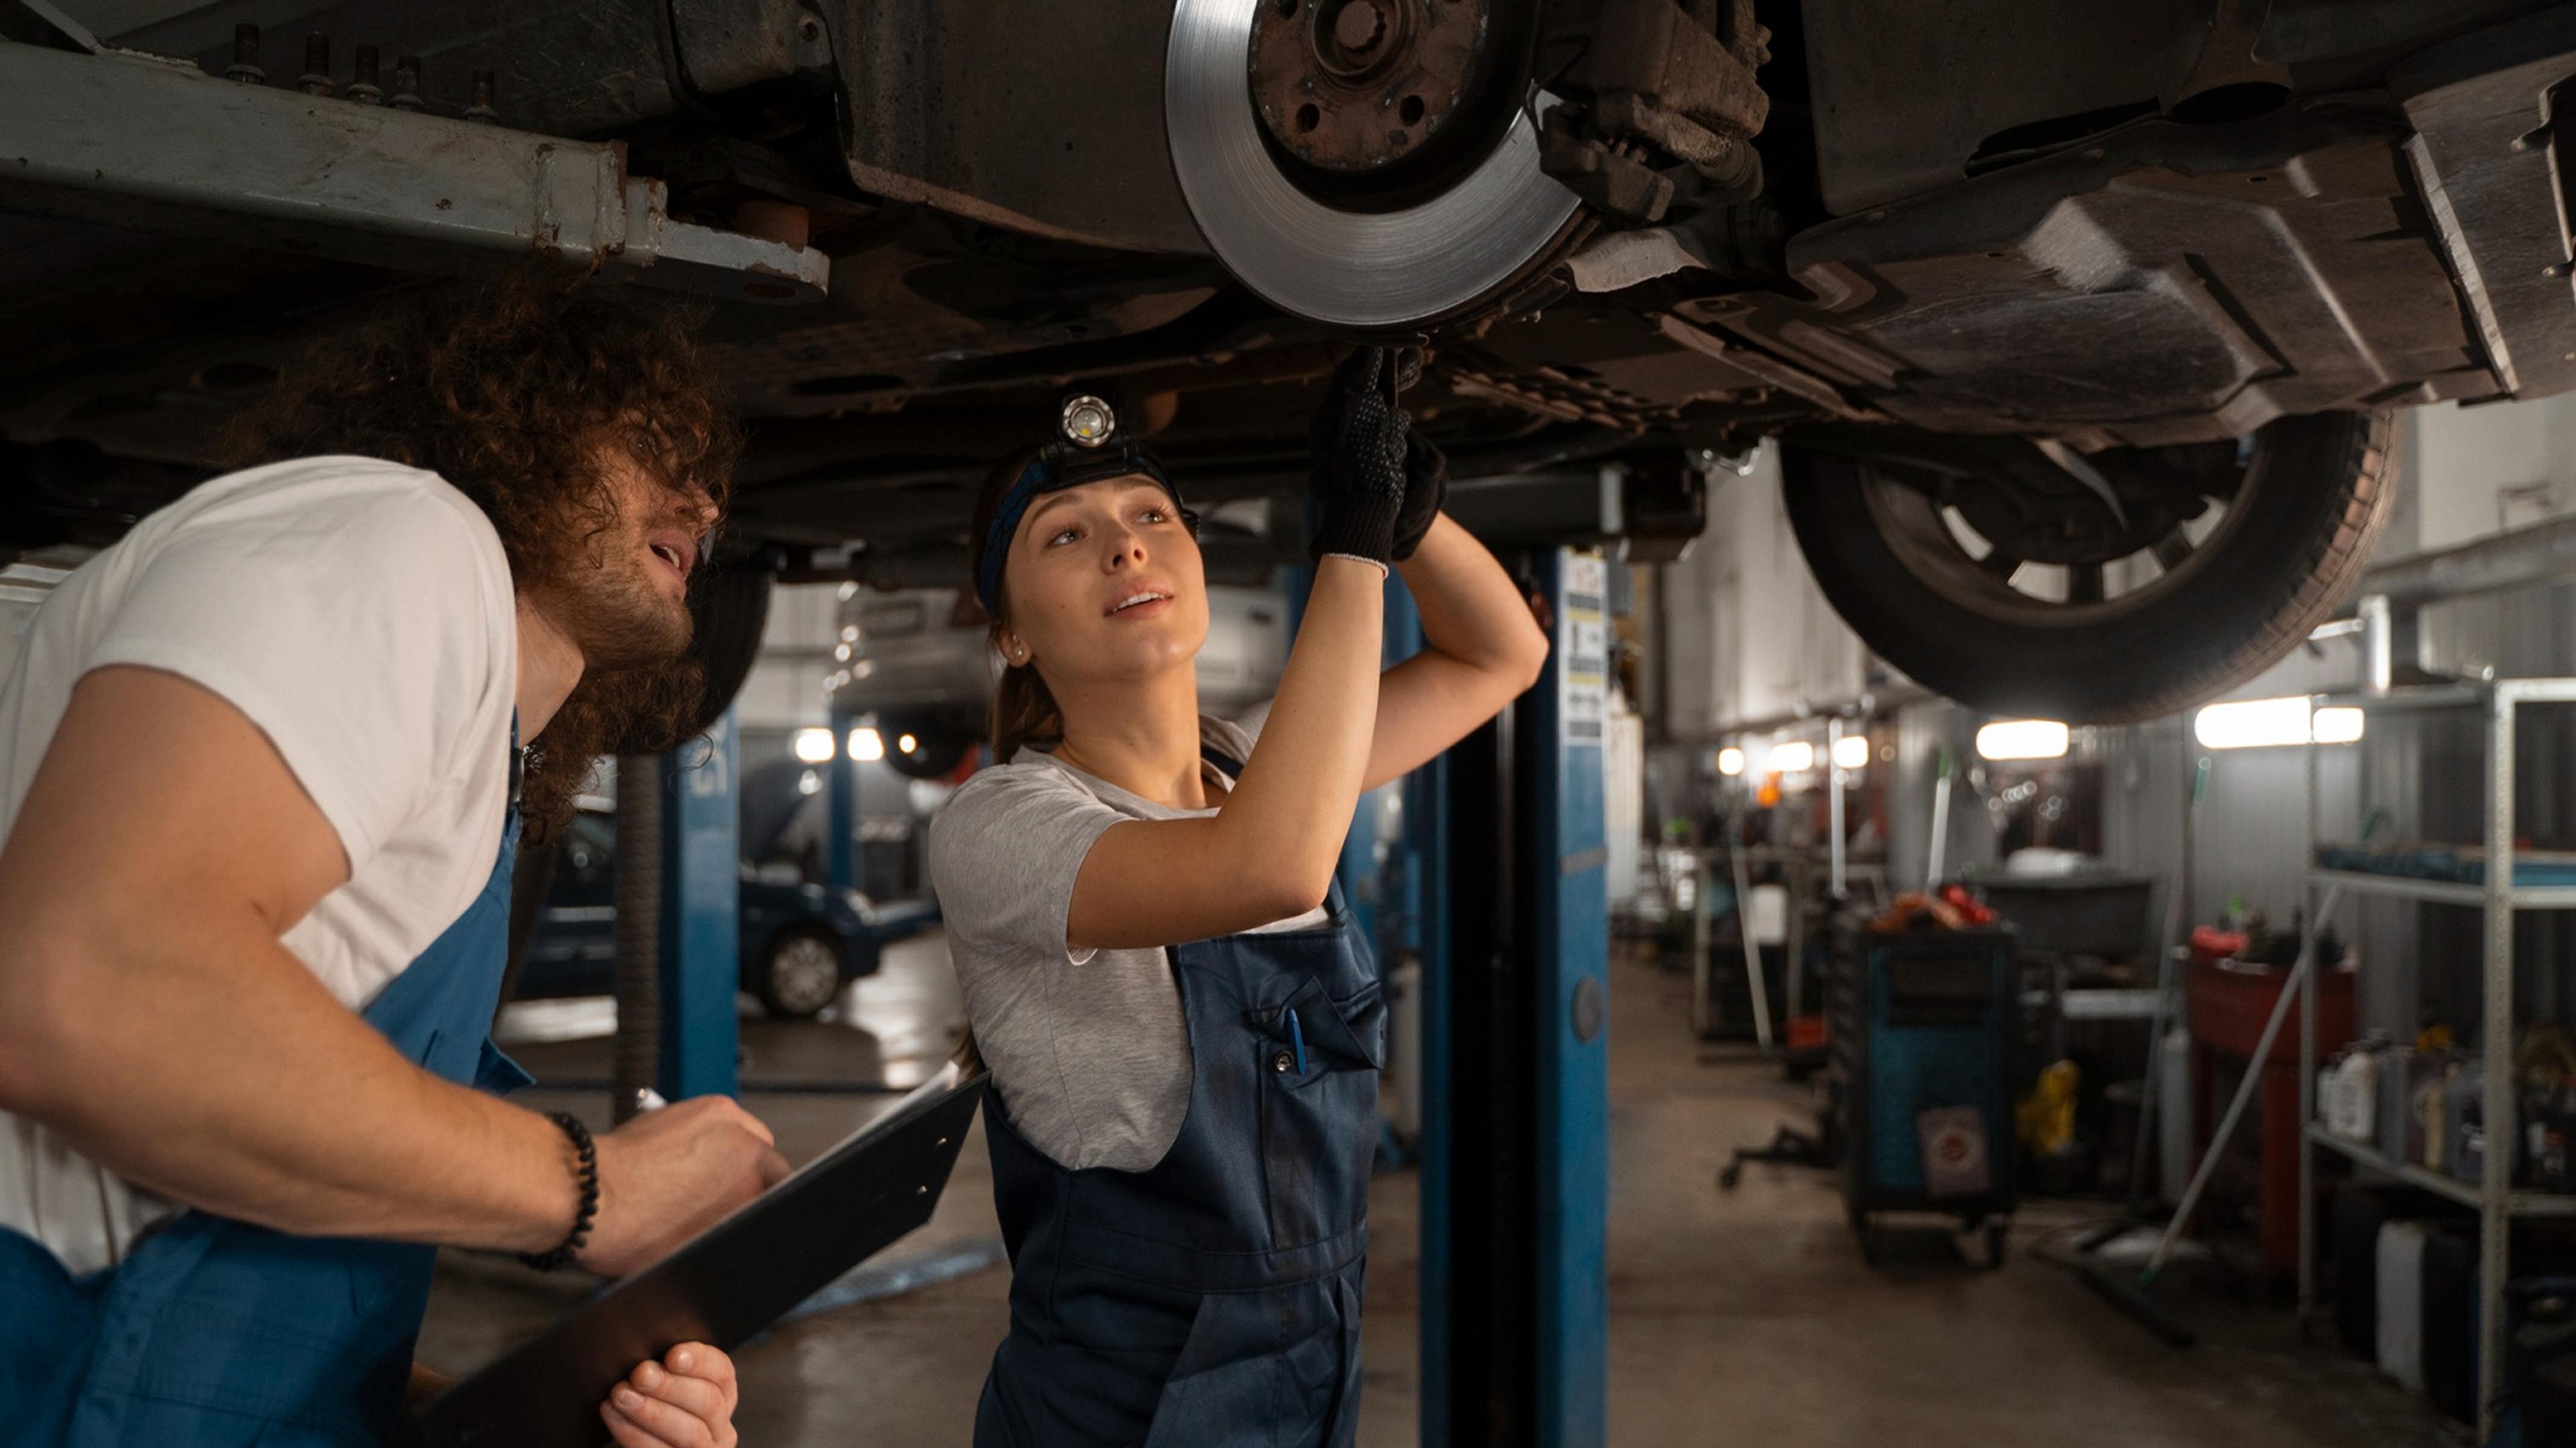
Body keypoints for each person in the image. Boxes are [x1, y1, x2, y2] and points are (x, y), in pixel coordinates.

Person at [0, 273, 784, 1448]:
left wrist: (518, 1415)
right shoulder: (404, 533)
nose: (703, 498)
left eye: (707, 470)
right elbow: (89, 991)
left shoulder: (473, 756)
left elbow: (257, 1225)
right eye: (648, 444)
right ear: (508, 430)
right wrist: (592, 1192)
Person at [928, 351, 1552, 1446]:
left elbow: (1501, 656)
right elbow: (1270, 867)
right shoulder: (1003, 828)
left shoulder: (1251, 772)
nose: (1125, 542)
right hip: (1123, 1401)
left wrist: (1408, 524)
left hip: (1309, 1364)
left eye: (1151, 515)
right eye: (1065, 534)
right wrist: (1349, 542)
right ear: (1013, 633)